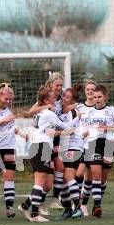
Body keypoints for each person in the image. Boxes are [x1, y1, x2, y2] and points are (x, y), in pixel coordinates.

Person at [18, 88, 80, 222]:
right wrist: (78, 118)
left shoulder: (42, 113)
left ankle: (27, 207)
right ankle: (34, 214)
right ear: (46, 100)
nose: (56, 100)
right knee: (40, 182)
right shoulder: (48, 113)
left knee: (43, 182)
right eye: (53, 98)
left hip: (38, 146)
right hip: (42, 147)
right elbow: (65, 125)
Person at [0, 83, 29, 219]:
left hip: (9, 147)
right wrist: (3, 120)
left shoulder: (9, 111)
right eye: (6, 98)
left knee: (9, 176)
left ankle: (9, 207)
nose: (9, 101)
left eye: (11, 99)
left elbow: (11, 128)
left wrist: (22, 134)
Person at [82, 84, 114, 218]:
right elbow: (85, 128)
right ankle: (97, 206)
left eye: (99, 97)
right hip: (93, 144)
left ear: (105, 97)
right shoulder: (89, 112)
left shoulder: (111, 110)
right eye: (95, 97)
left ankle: (95, 204)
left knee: (103, 180)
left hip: (108, 145)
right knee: (96, 176)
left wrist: (107, 128)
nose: (97, 99)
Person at [29, 72, 64, 212]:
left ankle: (55, 199)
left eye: (61, 85)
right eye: (57, 85)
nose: (59, 88)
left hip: (55, 138)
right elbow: (32, 110)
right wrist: (47, 107)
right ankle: (39, 203)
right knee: (45, 176)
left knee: (59, 168)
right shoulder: (46, 99)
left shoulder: (61, 99)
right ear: (50, 85)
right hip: (44, 139)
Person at [57, 85, 85, 220]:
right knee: (62, 179)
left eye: (68, 97)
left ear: (73, 100)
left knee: (68, 177)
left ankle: (78, 208)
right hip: (65, 147)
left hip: (75, 146)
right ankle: (68, 209)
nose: (64, 99)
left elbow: (71, 130)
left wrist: (55, 132)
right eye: (64, 96)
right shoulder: (61, 111)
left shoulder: (74, 111)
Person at [76, 79, 96, 216]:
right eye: (88, 89)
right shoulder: (79, 108)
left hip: (93, 145)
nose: (90, 91)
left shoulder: (100, 108)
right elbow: (73, 124)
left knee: (88, 177)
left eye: (92, 89)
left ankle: (83, 205)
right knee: (77, 175)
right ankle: (75, 202)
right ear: (85, 91)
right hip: (79, 145)